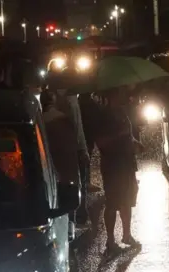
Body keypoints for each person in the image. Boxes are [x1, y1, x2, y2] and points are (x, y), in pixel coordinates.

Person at [96, 86, 143, 253]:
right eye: (120, 92)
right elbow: (101, 142)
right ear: (112, 95)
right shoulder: (104, 116)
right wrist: (121, 136)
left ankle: (127, 235)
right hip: (113, 165)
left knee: (127, 200)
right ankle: (110, 240)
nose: (124, 95)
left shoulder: (122, 112)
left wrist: (135, 142)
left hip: (127, 163)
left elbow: (127, 135)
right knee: (112, 202)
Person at [48, 71, 91, 228]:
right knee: (74, 183)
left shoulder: (51, 100)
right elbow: (78, 128)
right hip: (70, 148)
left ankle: (69, 220)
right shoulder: (71, 100)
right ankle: (74, 218)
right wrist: (83, 149)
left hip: (57, 150)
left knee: (64, 183)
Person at [40, 89, 80, 239]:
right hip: (65, 169)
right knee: (68, 202)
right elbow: (73, 144)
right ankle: (70, 229)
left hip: (50, 170)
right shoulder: (62, 119)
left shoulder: (42, 121)